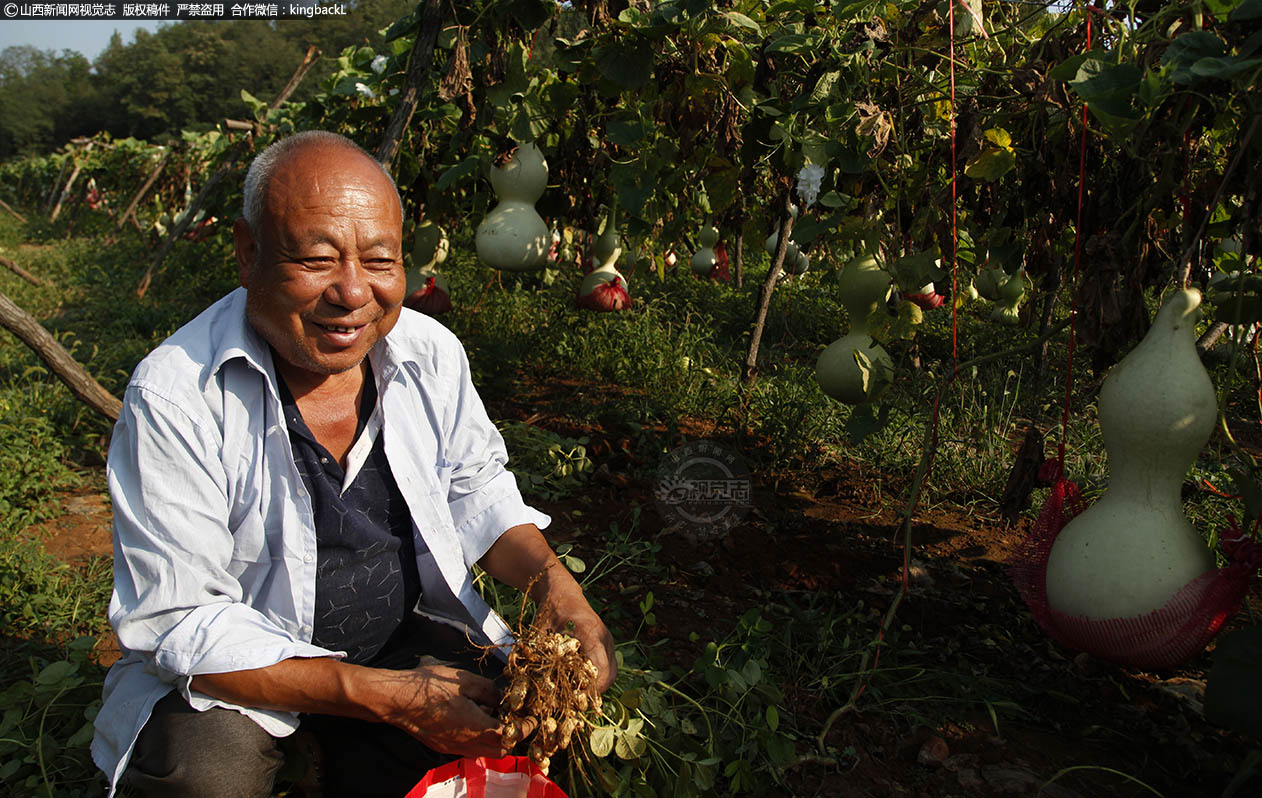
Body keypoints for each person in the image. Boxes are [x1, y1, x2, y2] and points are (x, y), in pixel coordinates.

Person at [91, 130, 615, 797]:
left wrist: (555, 587)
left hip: (402, 645)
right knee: (206, 773)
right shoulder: (177, 394)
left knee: (526, 729)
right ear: (248, 252)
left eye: (379, 260)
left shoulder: (431, 355)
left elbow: (479, 496)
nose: (352, 292)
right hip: (245, 672)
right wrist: (384, 698)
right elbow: (181, 620)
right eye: (316, 259)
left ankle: (347, 754)